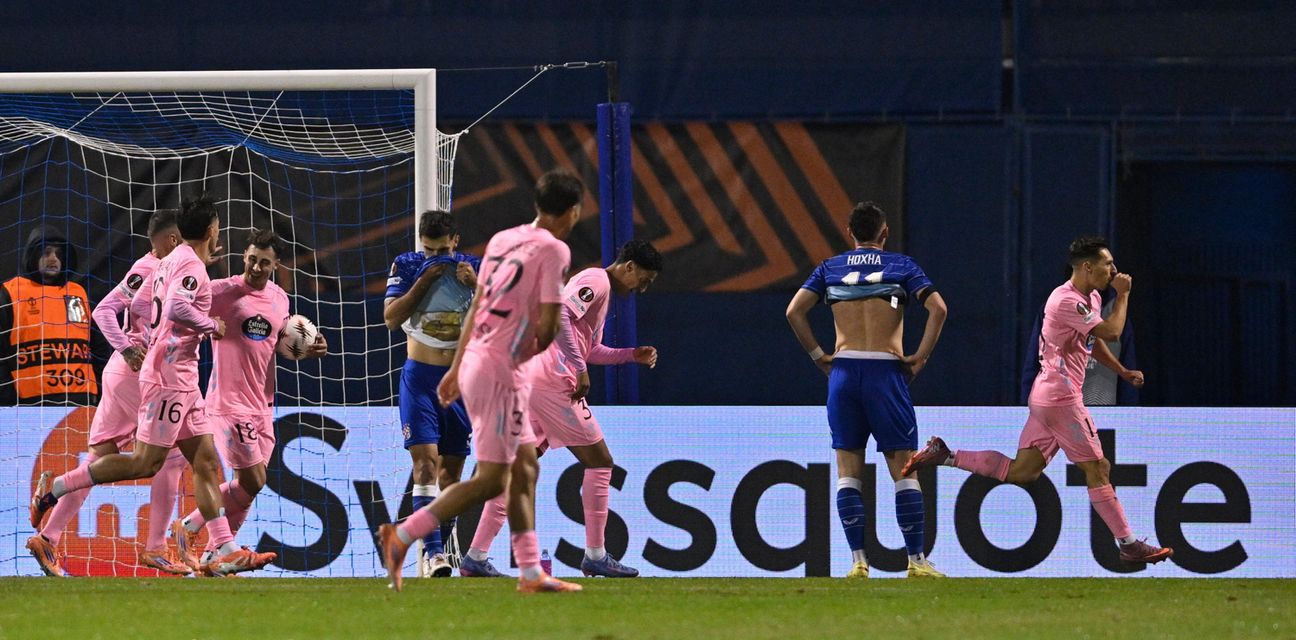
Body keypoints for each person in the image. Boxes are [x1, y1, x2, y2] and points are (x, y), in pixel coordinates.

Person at [29, 196, 276, 577]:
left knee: (205, 461)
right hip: (165, 377)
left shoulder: (168, 262)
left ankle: (223, 548)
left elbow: (158, 300)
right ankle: (59, 489)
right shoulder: (184, 264)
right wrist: (209, 325)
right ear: (211, 230)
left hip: (179, 378)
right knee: (149, 462)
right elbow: (175, 306)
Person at [903, 235, 1172, 565]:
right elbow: (1112, 332)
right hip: (1061, 398)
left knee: (1022, 472)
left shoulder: (1090, 298)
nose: (1114, 270)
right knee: (1098, 467)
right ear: (1087, 267)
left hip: (1047, 396)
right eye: (1108, 264)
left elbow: (1092, 341)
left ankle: (945, 455)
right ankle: (1128, 544)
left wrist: (1122, 371)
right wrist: (1124, 294)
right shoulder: (1066, 300)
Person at [378, 168, 583, 593]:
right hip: (500, 369)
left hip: (479, 363)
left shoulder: (502, 240)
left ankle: (530, 572)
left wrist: (457, 368)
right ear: (574, 212)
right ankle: (402, 536)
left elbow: (477, 308)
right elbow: (548, 325)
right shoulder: (555, 251)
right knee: (492, 478)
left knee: (525, 467)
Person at [460, 239, 662, 579]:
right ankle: (595, 555)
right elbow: (560, 317)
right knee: (600, 461)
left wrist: (630, 355)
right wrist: (578, 368)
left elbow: (590, 349)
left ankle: (475, 557)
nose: (642, 288)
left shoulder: (600, 292)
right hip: (554, 381)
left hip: (537, 379)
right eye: (644, 279)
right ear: (629, 267)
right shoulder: (596, 280)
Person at [785, 201, 947, 579]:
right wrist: (920, 357)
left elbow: (794, 311)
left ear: (850, 233)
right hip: (885, 371)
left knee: (848, 473)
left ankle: (859, 561)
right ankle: (916, 561)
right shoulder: (902, 266)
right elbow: (938, 309)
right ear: (884, 233)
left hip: (843, 372)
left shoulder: (830, 267)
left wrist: (819, 357)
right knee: (904, 470)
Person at [25, 210, 192, 577]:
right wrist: (128, 348)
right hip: (140, 376)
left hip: (122, 375)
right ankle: (156, 547)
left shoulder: (153, 266)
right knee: (173, 455)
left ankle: (48, 536)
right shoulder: (154, 269)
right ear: (174, 240)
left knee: (98, 460)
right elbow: (103, 312)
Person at [171, 228, 327, 574]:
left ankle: (212, 555)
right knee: (254, 479)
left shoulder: (279, 298)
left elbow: (278, 342)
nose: (256, 267)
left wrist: (308, 349)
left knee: (248, 488)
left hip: (262, 405)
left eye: (264, 263)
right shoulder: (221, 292)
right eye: (252, 259)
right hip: (228, 404)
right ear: (244, 256)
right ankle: (191, 525)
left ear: (276, 265)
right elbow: (180, 308)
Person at [382, 210, 478, 577]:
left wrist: (477, 286)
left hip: (460, 382)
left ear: (455, 241)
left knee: (452, 477)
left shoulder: (473, 267)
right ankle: (434, 555)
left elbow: (502, 316)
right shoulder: (408, 265)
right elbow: (391, 318)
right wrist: (423, 280)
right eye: (428, 250)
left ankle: (437, 543)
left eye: (442, 250)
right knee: (424, 466)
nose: (435, 257)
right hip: (420, 378)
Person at [0, 226, 113, 406]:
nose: (53, 259)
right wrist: (7, 397)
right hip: (28, 404)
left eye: (58, 254)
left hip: (80, 400)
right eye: (46, 253)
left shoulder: (77, 293)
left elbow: (98, 346)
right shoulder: (10, 292)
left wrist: (101, 389)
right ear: (33, 256)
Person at [1021, 283, 1141, 406]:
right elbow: (1034, 364)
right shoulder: (1055, 308)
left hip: (1104, 409)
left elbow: (1127, 368)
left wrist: (1129, 411)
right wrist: (1026, 408)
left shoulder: (1117, 318)